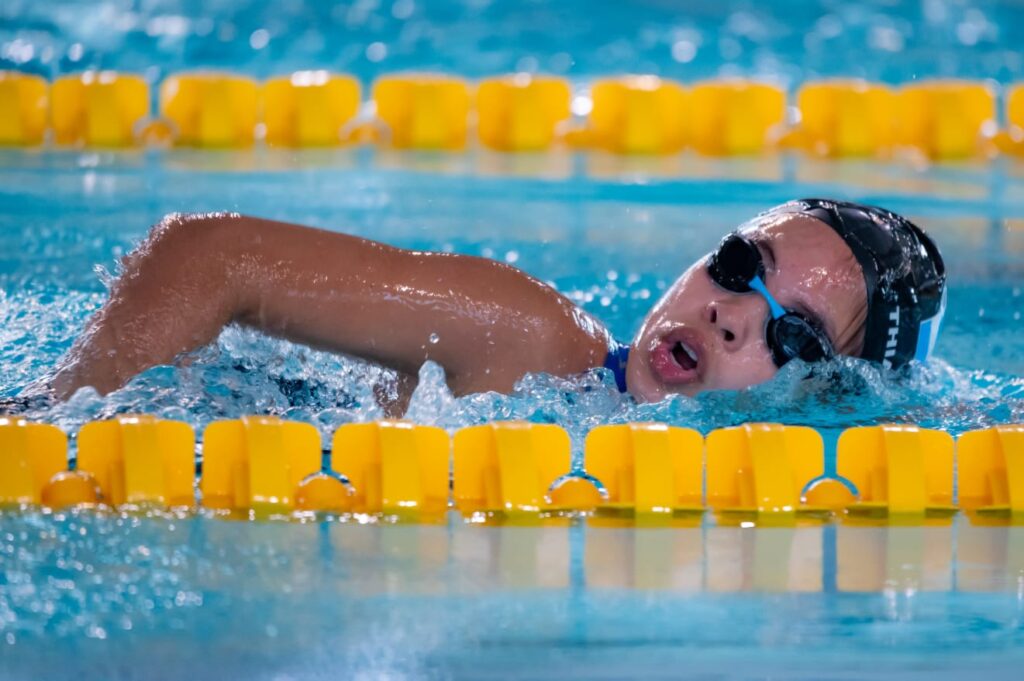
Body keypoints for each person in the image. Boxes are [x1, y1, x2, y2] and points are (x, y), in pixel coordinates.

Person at [42, 198, 946, 410]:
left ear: (829, 396)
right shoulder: (534, 341)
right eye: (738, 261)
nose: (728, 310)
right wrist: (50, 435)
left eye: (791, 334)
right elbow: (210, 255)